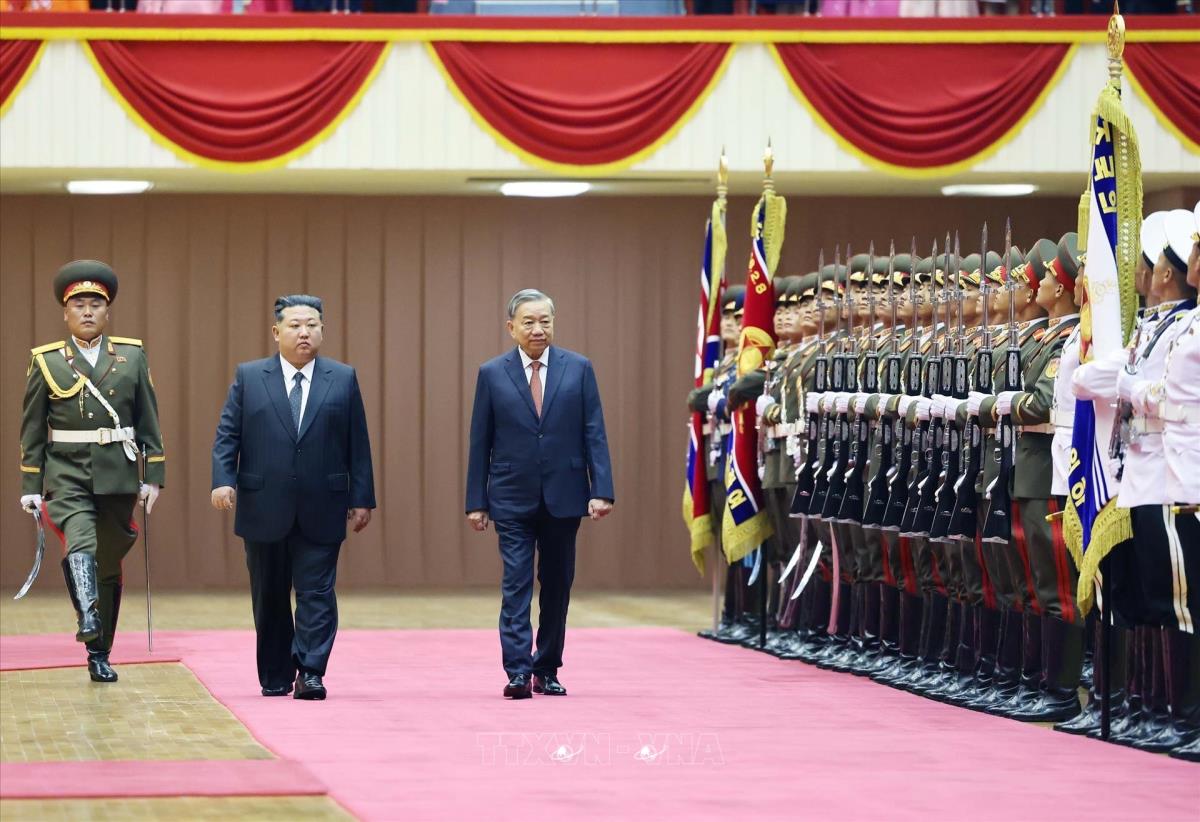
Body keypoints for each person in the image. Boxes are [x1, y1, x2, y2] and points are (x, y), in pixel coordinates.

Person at [211, 294, 375, 701]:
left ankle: (311, 671)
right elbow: (228, 434)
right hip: (263, 503)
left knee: (317, 593)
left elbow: (358, 443)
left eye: (312, 325)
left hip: (323, 504)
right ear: (276, 331)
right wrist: (223, 480)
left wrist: (362, 498)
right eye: (295, 325)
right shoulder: (250, 376)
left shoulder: (342, 377)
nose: (304, 332)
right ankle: (276, 674)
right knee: (269, 595)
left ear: (322, 330)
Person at [19, 260, 165, 683]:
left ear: (107, 312)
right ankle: (87, 615)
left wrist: (153, 475)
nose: (87, 312)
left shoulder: (131, 356)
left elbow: (148, 418)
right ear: (66, 313)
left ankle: (100, 652)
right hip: (67, 473)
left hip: (118, 473)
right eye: (79, 305)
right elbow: (32, 427)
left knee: (109, 562)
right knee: (80, 539)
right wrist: (31, 484)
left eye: (95, 305)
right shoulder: (47, 361)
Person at [465, 288, 614, 699]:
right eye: (528, 322)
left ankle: (546, 668)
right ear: (511, 327)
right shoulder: (492, 373)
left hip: (565, 495)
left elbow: (594, 432)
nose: (537, 329)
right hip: (511, 496)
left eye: (544, 321)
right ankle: (517, 670)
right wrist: (476, 501)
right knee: (515, 583)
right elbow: (480, 440)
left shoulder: (578, 368)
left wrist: (601, 489)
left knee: (557, 584)